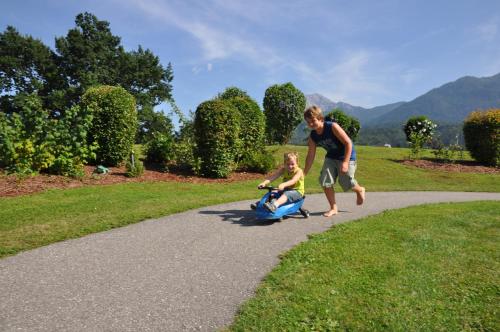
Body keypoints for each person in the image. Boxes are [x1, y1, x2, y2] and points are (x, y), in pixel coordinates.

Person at [303, 105, 365, 217]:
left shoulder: (332, 127)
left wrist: (345, 162)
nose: (311, 124)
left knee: (346, 182)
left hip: (347, 156)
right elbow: (310, 155)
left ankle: (359, 189)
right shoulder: (313, 136)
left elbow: (348, 143)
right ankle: (333, 208)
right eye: (308, 122)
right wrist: (304, 172)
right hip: (331, 157)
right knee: (325, 180)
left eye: (313, 121)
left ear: (321, 119)